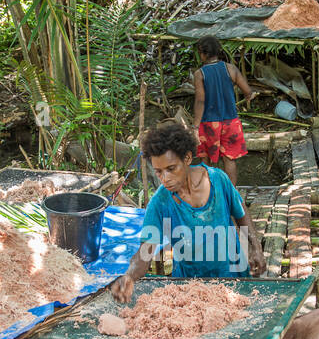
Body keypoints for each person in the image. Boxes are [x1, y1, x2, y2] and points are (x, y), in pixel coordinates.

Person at [112, 120, 265, 303]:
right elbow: (145, 252)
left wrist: (256, 248)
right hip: (190, 285)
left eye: (171, 169)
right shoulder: (160, 203)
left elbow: (240, 213)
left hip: (233, 276)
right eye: (159, 172)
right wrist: (129, 276)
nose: (165, 179)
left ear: (187, 159)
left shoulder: (218, 180)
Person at [191, 36, 255, 186]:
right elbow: (248, 91)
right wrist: (248, 97)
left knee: (207, 159)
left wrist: (195, 126)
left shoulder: (200, 74)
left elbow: (200, 101)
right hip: (231, 121)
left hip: (209, 124)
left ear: (202, 53)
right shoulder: (230, 69)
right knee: (230, 159)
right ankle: (231, 193)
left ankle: (211, 193)